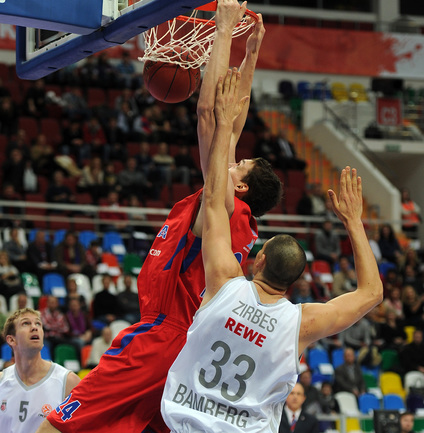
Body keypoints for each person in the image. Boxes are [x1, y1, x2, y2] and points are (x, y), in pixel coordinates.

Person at [36, 2, 281, 432]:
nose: (232, 159)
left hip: (163, 335)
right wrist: (252, 53)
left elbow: (213, 116)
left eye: (239, 165)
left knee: (61, 423)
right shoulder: (237, 217)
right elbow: (234, 118)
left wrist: (224, 30)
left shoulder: (223, 204)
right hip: (188, 348)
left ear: (241, 187)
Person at [160, 71, 382, 431]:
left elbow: (214, 196)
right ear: (294, 282)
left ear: (258, 260)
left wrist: (224, 124)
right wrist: (354, 222)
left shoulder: (224, 282)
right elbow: (371, 293)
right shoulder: (301, 324)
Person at [0, 308, 80, 432]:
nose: (34, 327)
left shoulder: (68, 382)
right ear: (11, 340)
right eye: (26, 323)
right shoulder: (2, 381)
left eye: (38, 323)